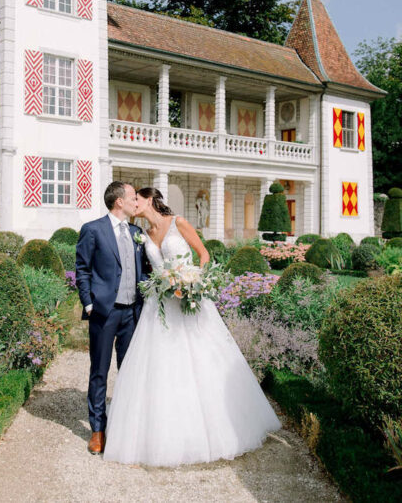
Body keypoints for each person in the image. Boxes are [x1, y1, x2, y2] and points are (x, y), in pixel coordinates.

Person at [102, 187, 281, 467]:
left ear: (149, 200)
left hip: (189, 300)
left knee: (202, 361)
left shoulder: (179, 222)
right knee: (161, 367)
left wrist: (194, 282)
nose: (132, 203)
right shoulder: (143, 235)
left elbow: (204, 254)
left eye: (136, 198)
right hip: (159, 306)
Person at [74, 181, 152, 456]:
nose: (136, 202)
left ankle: (124, 426)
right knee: (100, 371)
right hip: (104, 313)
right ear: (119, 201)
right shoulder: (93, 230)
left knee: (129, 372)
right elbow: (82, 269)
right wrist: (89, 303)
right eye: (132, 198)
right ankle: (97, 429)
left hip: (132, 313)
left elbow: (144, 270)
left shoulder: (136, 232)